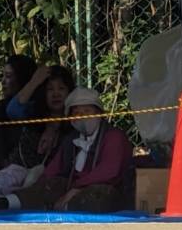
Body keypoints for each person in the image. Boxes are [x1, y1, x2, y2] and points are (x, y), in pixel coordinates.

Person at [7, 86, 135, 213]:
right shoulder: (71, 139)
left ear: (99, 114)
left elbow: (108, 172)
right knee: (51, 184)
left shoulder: (113, 136)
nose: (82, 116)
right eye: (77, 113)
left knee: (99, 195)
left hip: (106, 188)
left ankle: (66, 207)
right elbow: (54, 168)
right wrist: (40, 185)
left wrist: (76, 188)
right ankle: (8, 202)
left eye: (87, 111)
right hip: (72, 186)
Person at [0, 64, 76, 206]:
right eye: (50, 89)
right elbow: (13, 110)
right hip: (19, 171)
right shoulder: (35, 114)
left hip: (47, 178)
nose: (56, 94)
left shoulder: (74, 121)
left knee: (38, 184)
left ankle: (5, 203)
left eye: (61, 89)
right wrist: (35, 81)